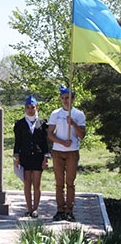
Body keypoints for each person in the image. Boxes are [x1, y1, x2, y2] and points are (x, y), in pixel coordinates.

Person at [47, 85, 86, 222]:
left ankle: (69, 210)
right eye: (63, 98)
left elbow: (82, 135)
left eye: (68, 98)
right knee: (59, 183)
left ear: (73, 99)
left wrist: (73, 124)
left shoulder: (78, 114)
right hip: (58, 151)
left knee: (70, 182)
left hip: (72, 152)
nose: (65, 100)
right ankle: (60, 209)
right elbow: (50, 134)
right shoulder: (55, 114)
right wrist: (62, 142)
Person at [13, 95, 50, 218]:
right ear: (24, 108)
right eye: (28, 107)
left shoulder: (43, 123)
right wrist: (16, 158)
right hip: (25, 156)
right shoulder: (20, 124)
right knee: (27, 183)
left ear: (37, 108)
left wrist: (46, 158)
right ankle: (29, 208)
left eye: (32, 107)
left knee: (37, 183)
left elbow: (45, 143)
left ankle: (35, 209)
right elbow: (17, 142)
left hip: (38, 157)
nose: (30, 110)